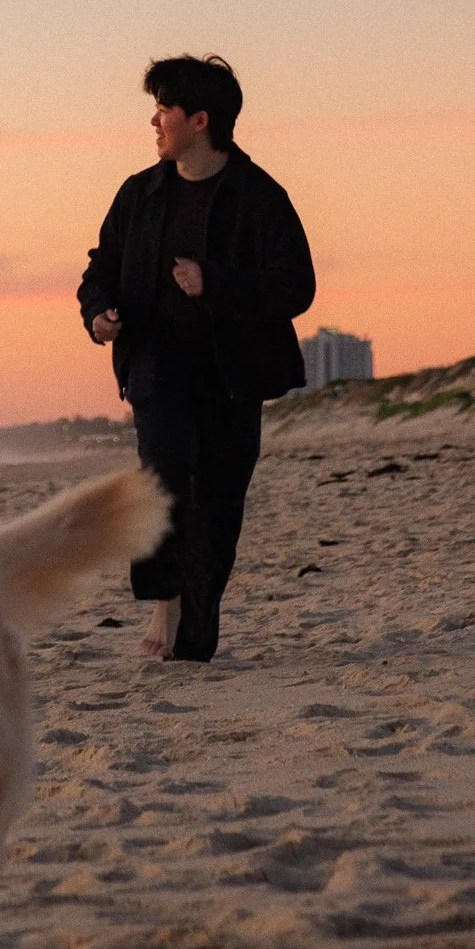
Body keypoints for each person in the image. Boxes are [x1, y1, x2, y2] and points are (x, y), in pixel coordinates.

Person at [78, 55, 315, 663]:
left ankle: (198, 621)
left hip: (233, 373)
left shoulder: (259, 196)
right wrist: (99, 313)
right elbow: (99, 269)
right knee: (162, 480)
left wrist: (215, 281)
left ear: (200, 120)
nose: (153, 122)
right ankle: (166, 602)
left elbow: (296, 287)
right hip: (156, 366)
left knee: (219, 501)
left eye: (164, 110)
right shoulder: (140, 193)